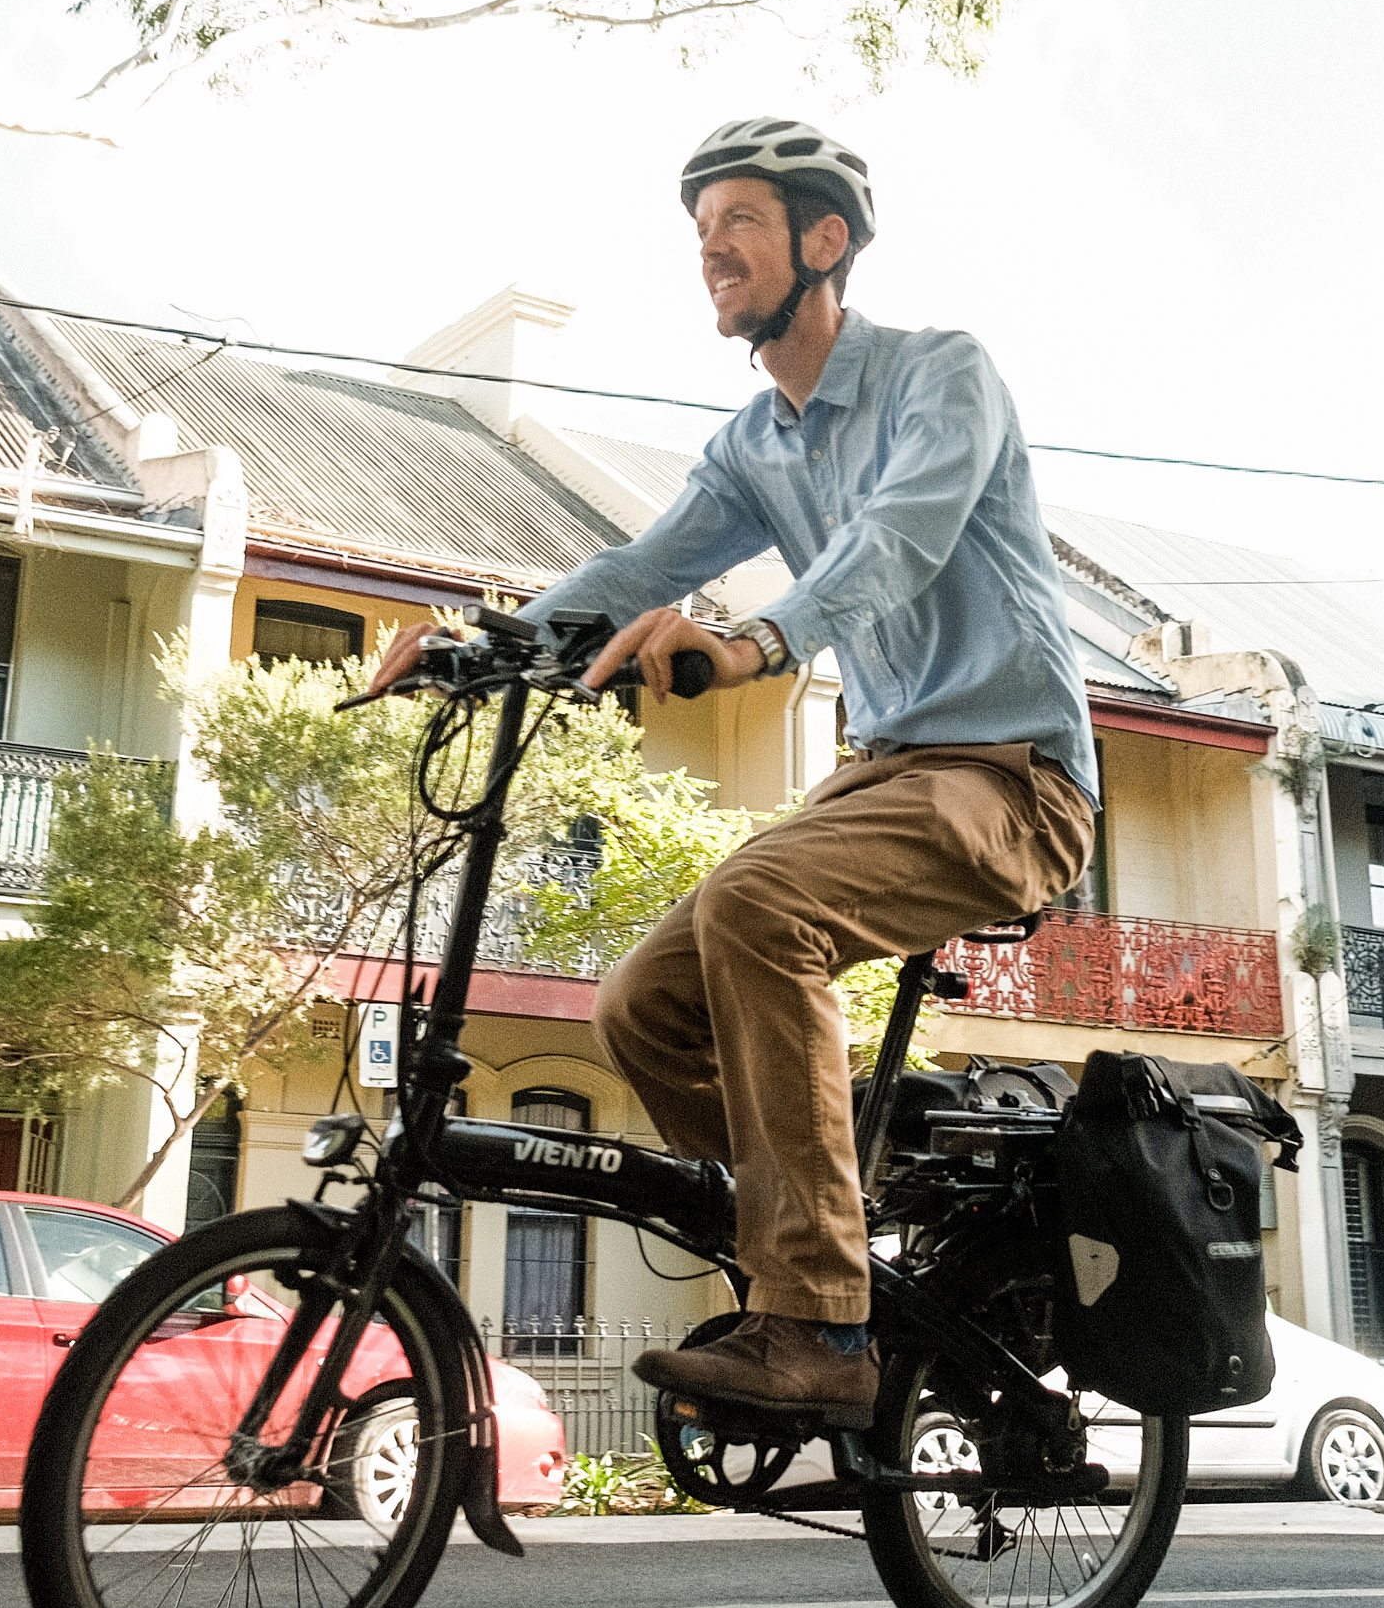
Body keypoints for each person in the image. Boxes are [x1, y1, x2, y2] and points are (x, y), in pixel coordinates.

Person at [362, 119, 1096, 1423]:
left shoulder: (942, 376)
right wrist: (495, 643)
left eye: (740, 221)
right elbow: (643, 569)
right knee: (641, 1005)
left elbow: (898, 542)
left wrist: (754, 641)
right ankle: (825, 1214)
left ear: (827, 242)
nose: (710, 247)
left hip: (1015, 777)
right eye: (699, 228)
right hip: (886, 779)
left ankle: (819, 1325)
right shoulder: (759, 441)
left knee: (762, 909)